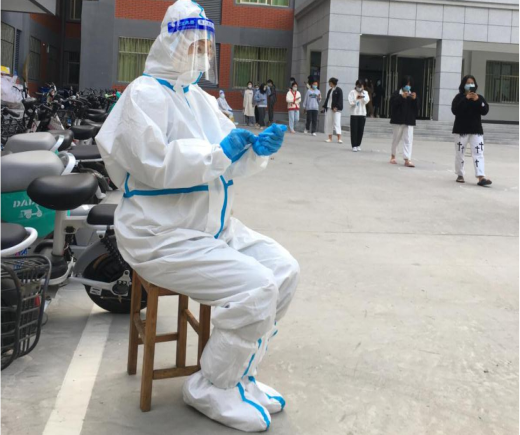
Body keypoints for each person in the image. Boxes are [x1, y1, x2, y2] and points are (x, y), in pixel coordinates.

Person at [96, 1, 299, 432]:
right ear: (171, 43)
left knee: (284, 270)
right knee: (257, 288)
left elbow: (226, 158)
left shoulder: (201, 100)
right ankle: (212, 385)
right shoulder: (144, 95)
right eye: (194, 45)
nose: (202, 54)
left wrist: (254, 151)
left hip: (209, 227)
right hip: (161, 233)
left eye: (206, 46)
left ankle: (240, 374)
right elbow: (155, 164)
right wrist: (217, 154)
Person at [451, 75, 492, 186]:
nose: (470, 85)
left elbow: (485, 110)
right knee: (460, 153)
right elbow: (455, 110)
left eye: (472, 83)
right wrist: (466, 98)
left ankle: (481, 176)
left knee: (479, 153)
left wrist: (477, 100)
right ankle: (460, 174)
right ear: (463, 85)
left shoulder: (479, 97)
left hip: (476, 130)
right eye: (468, 83)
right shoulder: (459, 97)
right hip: (461, 130)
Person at [389, 76, 418, 167]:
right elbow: (392, 104)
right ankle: (393, 155)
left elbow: (417, 108)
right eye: (406, 84)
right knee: (396, 138)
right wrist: (402, 97)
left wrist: (415, 99)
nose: (408, 86)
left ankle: (407, 159)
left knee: (408, 139)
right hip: (398, 120)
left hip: (409, 120)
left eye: (410, 85)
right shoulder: (397, 93)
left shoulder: (412, 94)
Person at [348, 80, 370, 152]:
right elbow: (350, 102)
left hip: (362, 113)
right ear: (356, 85)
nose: (360, 87)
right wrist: (356, 99)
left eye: (361, 86)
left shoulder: (365, 92)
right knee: (354, 130)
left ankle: (358, 144)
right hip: (354, 113)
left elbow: (367, 101)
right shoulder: (352, 92)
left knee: (361, 130)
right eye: (358, 86)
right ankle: (354, 145)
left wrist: (362, 96)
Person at [322, 77, 343, 143]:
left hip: (336, 110)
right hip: (329, 108)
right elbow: (327, 99)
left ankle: (339, 138)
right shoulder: (330, 90)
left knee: (337, 123)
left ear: (333, 83)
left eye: (330, 83)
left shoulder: (338, 90)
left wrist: (337, 107)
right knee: (329, 123)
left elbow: (340, 100)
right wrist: (324, 106)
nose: (329, 84)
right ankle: (329, 138)